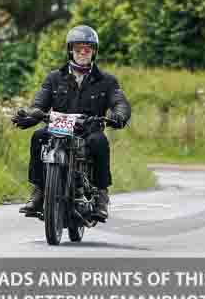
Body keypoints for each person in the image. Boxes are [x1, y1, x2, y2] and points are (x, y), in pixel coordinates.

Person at [11, 25, 131, 220]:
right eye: (78, 48)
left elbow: (120, 102)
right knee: (38, 136)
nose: (82, 52)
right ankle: (39, 191)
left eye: (87, 48)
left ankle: (101, 195)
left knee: (99, 142)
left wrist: (119, 115)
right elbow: (39, 103)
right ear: (70, 50)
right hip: (57, 130)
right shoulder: (54, 78)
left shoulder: (107, 81)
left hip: (89, 131)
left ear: (94, 51)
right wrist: (29, 116)